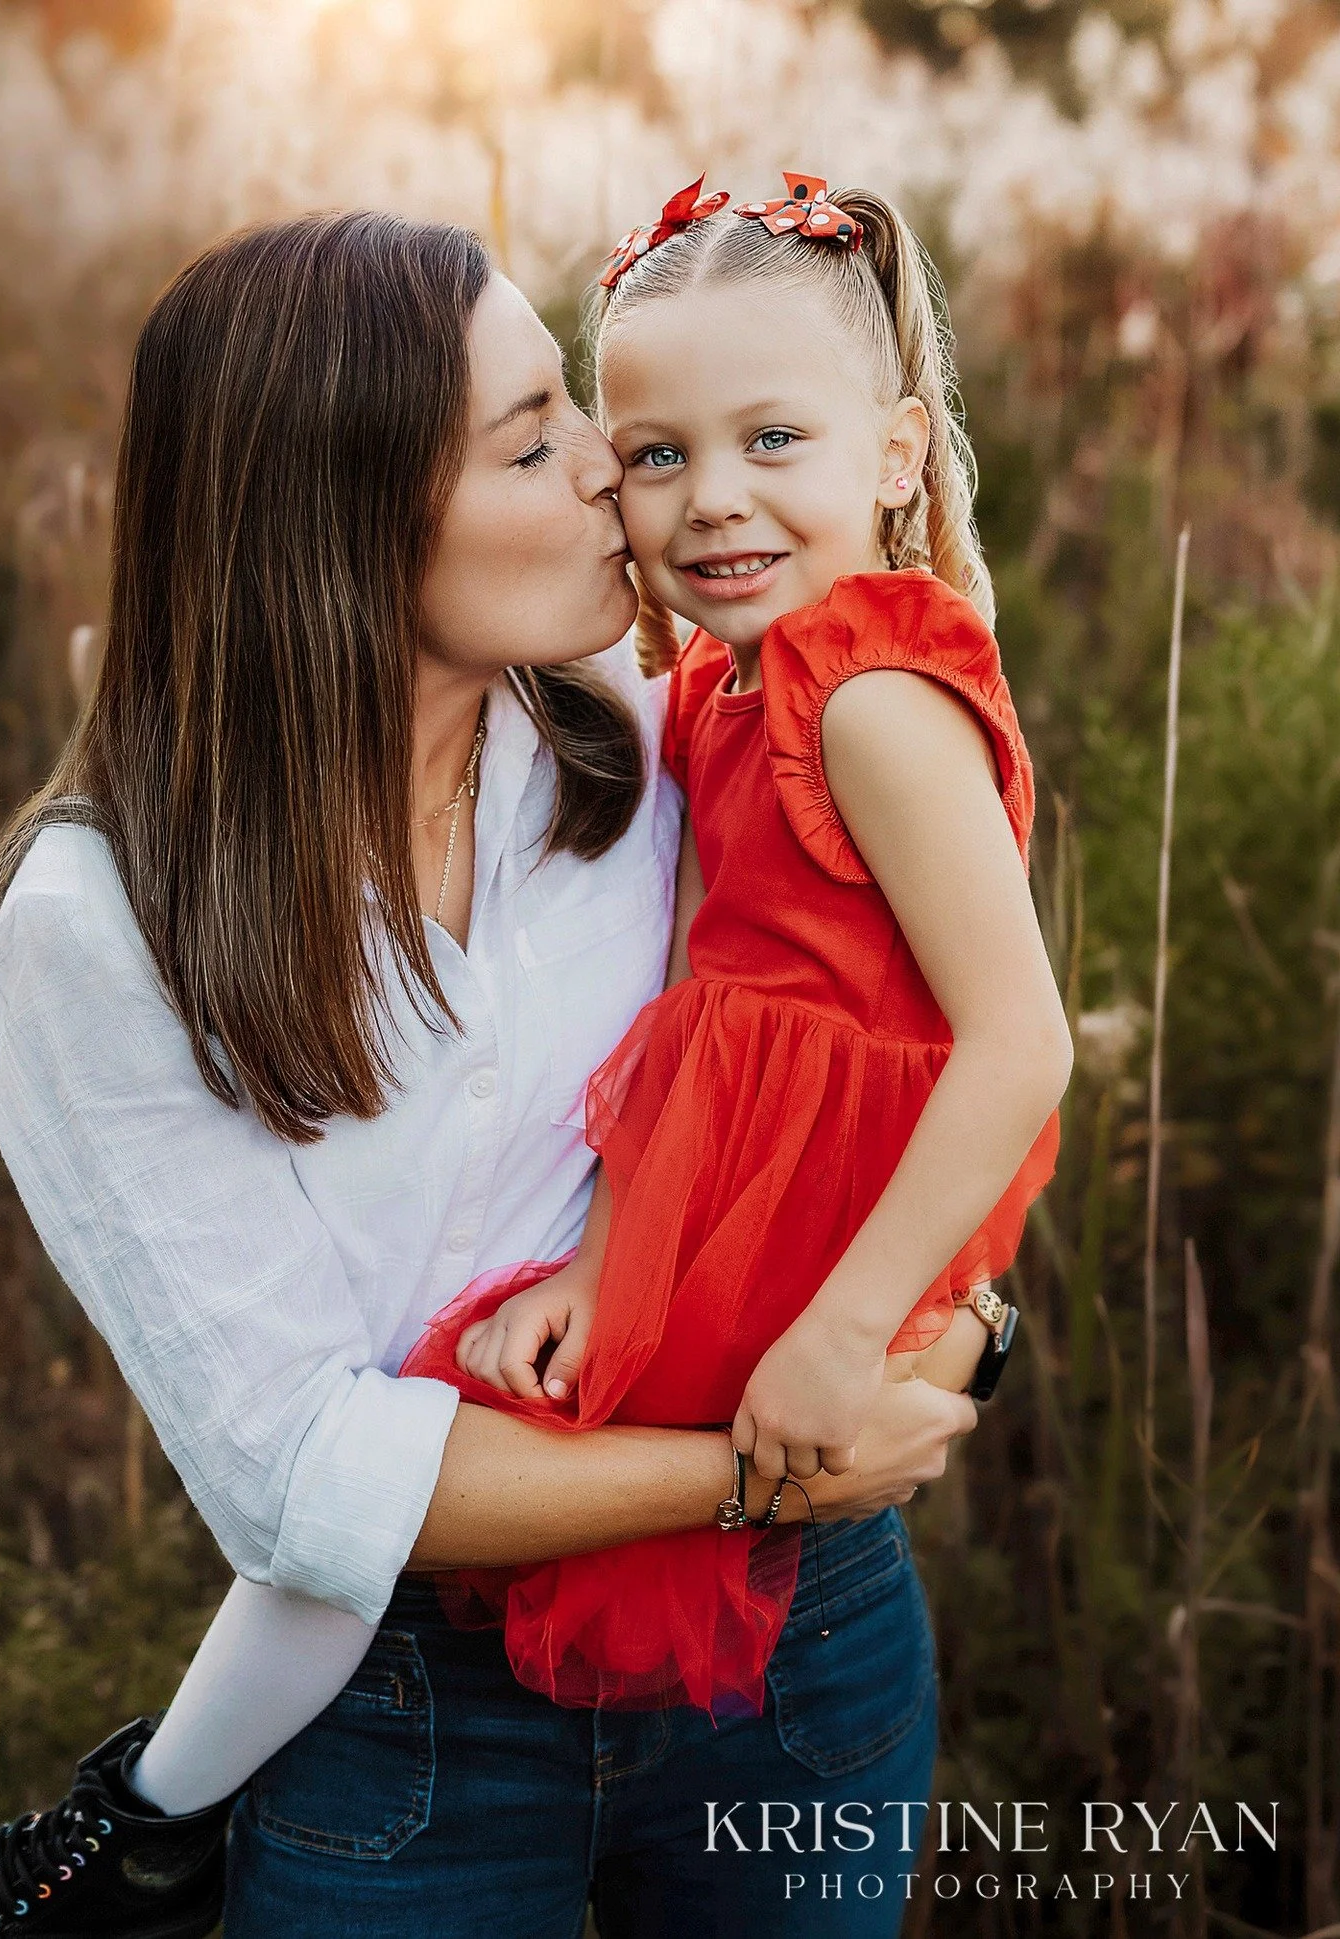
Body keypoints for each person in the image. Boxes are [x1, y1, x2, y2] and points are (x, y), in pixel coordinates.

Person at [0, 206, 978, 1939]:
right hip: (417, 1721)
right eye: (536, 438)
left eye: (582, 416)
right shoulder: (99, 927)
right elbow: (309, 1478)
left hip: (801, 1640)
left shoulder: (644, 720)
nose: (611, 482)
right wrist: (769, 1460)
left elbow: (925, 1044)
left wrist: (952, 1330)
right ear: (340, 513)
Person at [398, 170, 1071, 1715]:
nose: (714, 495)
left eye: (775, 440)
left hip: (840, 1225)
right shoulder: (715, 690)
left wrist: (844, 1329)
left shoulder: (876, 705)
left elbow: (1022, 1042)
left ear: (897, 454)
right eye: (656, 453)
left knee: (641, 1503)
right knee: (526, 1425)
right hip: (718, 1198)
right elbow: (690, 1015)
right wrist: (601, 1256)